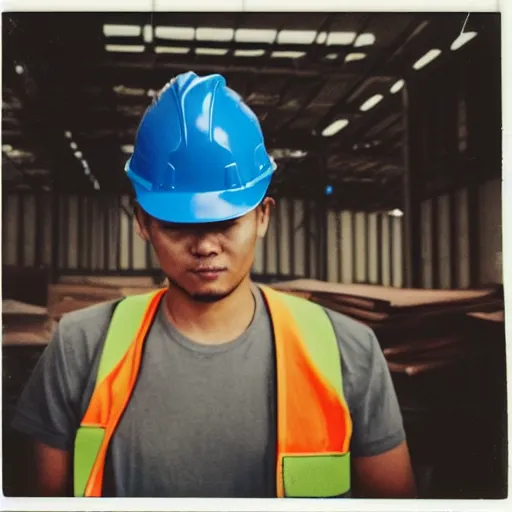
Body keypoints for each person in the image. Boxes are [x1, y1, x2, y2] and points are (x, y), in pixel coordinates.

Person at [12, 71, 416, 499]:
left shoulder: (347, 351)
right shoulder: (80, 347)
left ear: (264, 216)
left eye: (226, 223)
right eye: (178, 225)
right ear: (143, 223)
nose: (205, 245)